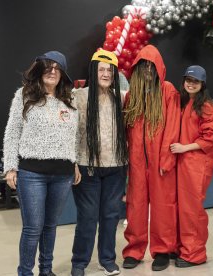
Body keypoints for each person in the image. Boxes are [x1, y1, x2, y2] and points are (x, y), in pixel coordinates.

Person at [3, 51, 80, 276]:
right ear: (39, 69)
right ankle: (25, 272)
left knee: (49, 227)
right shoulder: (24, 95)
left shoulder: (70, 99)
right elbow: (12, 132)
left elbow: (74, 135)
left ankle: (46, 271)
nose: (52, 71)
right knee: (32, 228)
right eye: (48, 66)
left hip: (62, 174)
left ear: (63, 74)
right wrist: (10, 167)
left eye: (58, 68)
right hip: (32, 173)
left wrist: (74, 163)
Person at [122, 45, 180, 271]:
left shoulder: (167, 91)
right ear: (137, 68)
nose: (147, 69)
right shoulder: (132, 96)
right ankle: (134, 250)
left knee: (162, 207)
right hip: (137, 162)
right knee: (135, 206)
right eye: (143, 65)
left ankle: (162, 250)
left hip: (160, 162)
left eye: (151, 65)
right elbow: (127, 131)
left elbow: (173, 127)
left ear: (159, 68)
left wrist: (166, 159)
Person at [70, 49, 128, 276]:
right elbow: (71, 132)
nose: (105, 74)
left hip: (116, 167)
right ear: (94, 72)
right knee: (87, 217)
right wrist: (73, 162)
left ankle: (107, 259)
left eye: (109, 71)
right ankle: (79, 262)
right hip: (87, 166)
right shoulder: (78, 96)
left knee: (111, 216)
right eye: (101, 70)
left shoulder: (121, 98)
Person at [170, 65, 213, 268]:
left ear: (202, 84)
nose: (191, 84)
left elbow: (210, 138)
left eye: (196, 81)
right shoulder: (183, 103)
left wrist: (184, 148)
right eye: (188, 80)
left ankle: (195, 253)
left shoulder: (207, 107)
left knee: (192, 209)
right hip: (183, 162)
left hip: (197, 163)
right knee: (180, 208)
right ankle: (182, 247)